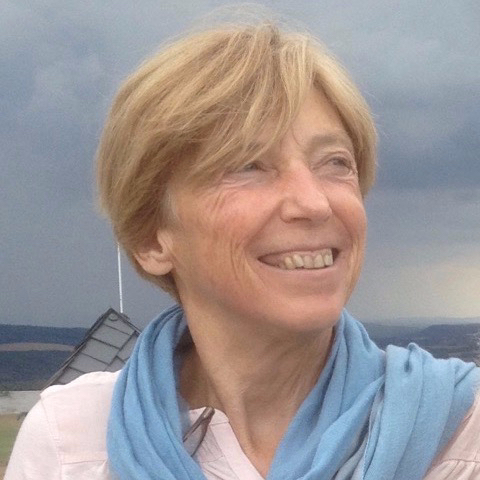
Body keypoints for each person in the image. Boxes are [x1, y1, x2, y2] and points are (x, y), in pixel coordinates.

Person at [6, 20, 480, 480]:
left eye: (336, 162)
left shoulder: (463, 435)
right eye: (248, 166)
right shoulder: (75, 446)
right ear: (151, 239)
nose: (314, 203)